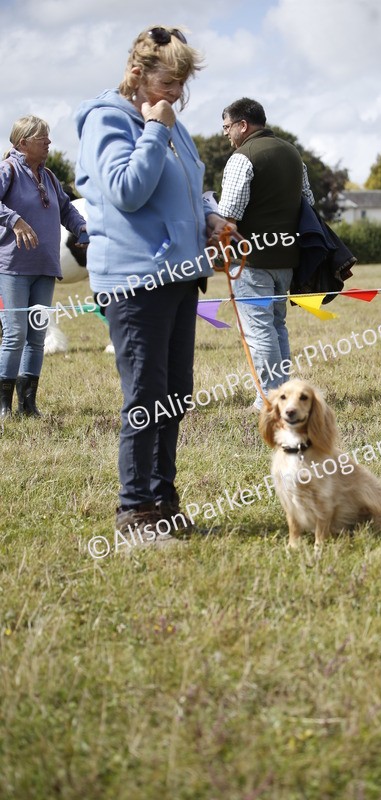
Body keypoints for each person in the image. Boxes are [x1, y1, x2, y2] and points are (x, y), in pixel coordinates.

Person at [75, 26, 233, 545]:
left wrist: (211, 218)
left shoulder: (168, 122)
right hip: (134, 279)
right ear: (138, 73)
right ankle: (134, 512)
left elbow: (192, 187)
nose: (177, 95)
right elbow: (126, 190)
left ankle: (164, 502)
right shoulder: (107, 119)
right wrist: (156, 130)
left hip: (179, 276)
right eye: (170, 81)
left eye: (183, 84)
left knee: (175, 395)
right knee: (146, 396)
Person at [217, 98, 315, 412]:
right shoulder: (293, 154)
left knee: (259, 330)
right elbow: (308, 202)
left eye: (227, 127)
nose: (226, 135)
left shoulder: (242, 157)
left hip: (251, 260)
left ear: (243, 125)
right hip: (287, 257)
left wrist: (219, 253)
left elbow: (228, 213)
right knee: (277, 326)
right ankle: (284, 393)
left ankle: (270, 399)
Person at [0, 115, 87, 419]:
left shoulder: (48, 176)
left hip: (45, 265)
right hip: (13, 266)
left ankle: (27, 404)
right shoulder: (7, 170)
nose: (49, 143)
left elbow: (66, 209)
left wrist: (83, 229)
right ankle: (3, 406)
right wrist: (14, 220)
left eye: (49, 137)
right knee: (14, 334)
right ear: (22, 142)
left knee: (36, 335)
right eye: (43, 138)